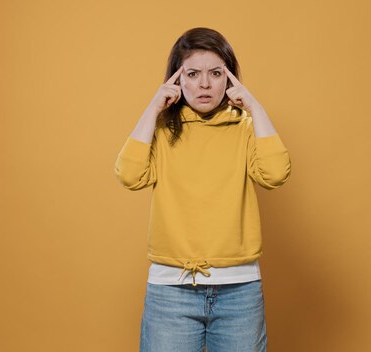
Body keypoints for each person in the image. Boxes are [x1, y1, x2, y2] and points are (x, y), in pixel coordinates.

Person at [114, 27, 291, 352]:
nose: (205, 84)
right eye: (192, 74)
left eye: (216, 73)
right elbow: (129, 175)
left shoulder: (245, 128)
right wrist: (153, 108)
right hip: (171, 292)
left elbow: (276, 173)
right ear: (177, 80)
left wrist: (254, 107)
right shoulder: (163, 130)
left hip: (239, 291)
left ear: (230, 80)